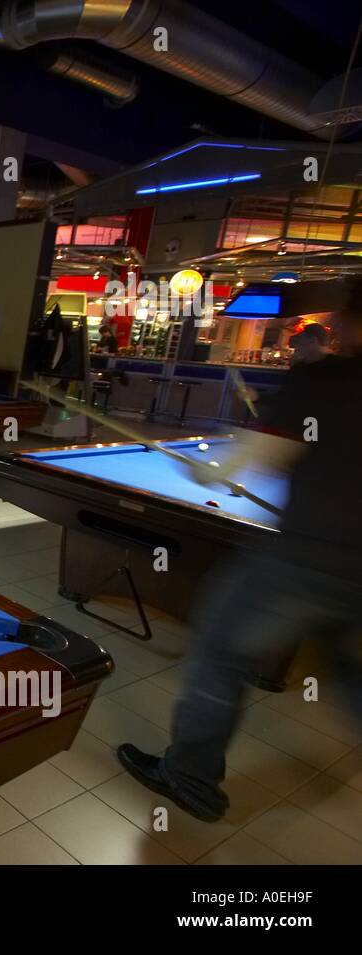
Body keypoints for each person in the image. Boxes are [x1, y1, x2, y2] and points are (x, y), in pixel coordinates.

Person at [116, 280, 362, 822]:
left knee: (218, 654)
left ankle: (189, 778)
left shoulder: (324, 379)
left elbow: (267, 458)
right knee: (348, 669)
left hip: (306, 560)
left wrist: (212, 469)